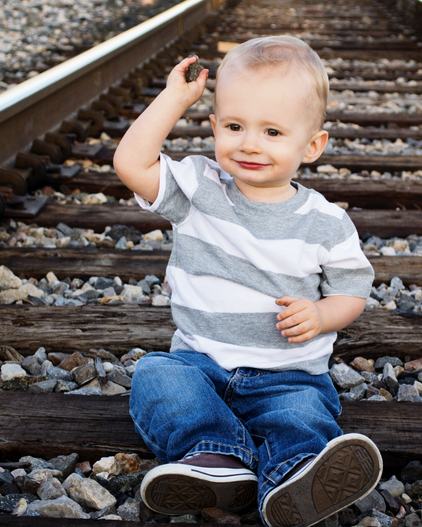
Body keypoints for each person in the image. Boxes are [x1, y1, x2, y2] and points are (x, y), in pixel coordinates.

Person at [113, 35, 382, 527]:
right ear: (214, 127)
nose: (250, 143)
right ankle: (215, 460)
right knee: (155, 376)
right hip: (200, 364)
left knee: (302, 413)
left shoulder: (325, 221)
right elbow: (130, 164)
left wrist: (322, 314)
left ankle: (295, 474)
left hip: (288, 374)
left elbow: (352, 292)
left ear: (313, 144)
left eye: (273, 132)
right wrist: (174, 99)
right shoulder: (197, 187)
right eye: (234, 126)